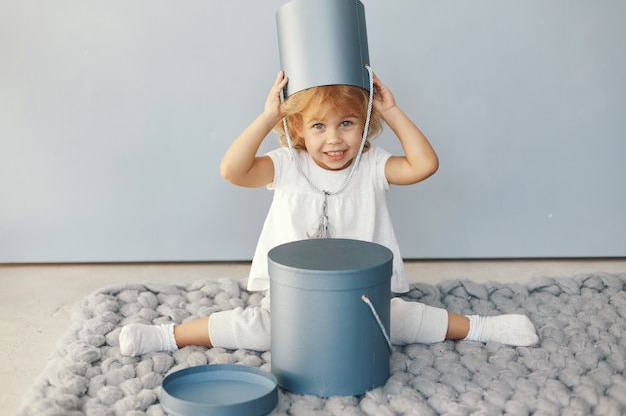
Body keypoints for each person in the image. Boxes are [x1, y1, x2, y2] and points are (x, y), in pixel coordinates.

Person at [119, 71, 538, 356]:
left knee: (399, 321)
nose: (334, 139)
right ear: (298, 128)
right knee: (261, 330)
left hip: (361, 291)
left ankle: (482, 328)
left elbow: (424, 165)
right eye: (318, 126)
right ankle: (167, 336)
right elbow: (232, 170)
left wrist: (392, 111)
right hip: (293, 292)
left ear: (365, 124)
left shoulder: (372, 166)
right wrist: (268, 118)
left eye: (348, 124)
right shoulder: (285, 164)